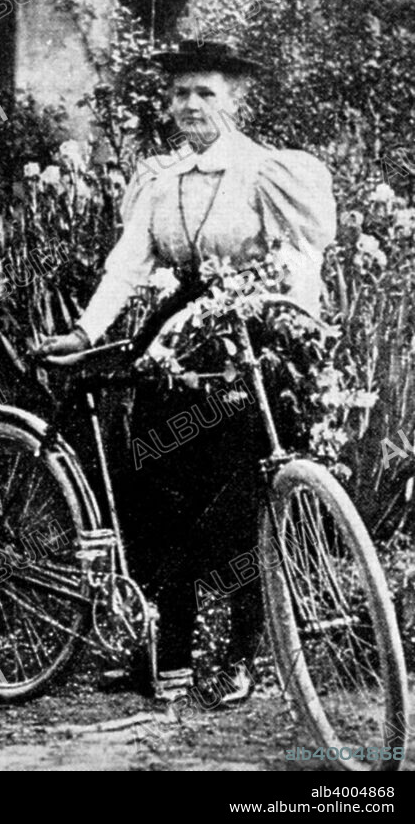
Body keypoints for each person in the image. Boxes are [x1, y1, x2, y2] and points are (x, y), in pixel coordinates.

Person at [37, 39, 337, 701]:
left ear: (236, 99)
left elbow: (299, 261)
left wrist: (296, 328)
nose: (191, 105)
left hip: (245, 346)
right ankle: (163, 654)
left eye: (206, 92)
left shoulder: (266, 173)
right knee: (151, 490)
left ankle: (240, 655)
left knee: (236, 505)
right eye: (181, 94)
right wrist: (87, 330)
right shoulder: (160, 178)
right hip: (171, 346)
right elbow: (127, 263)